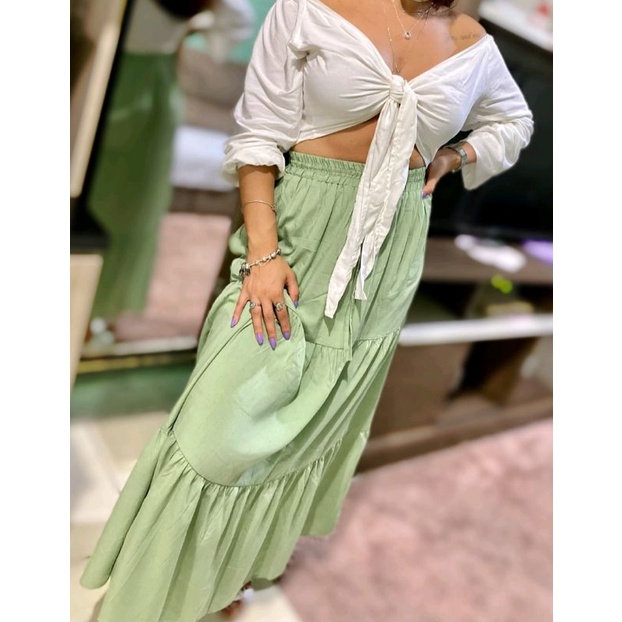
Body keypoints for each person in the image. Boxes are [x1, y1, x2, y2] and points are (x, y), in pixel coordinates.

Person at [80, 0, 534, 619]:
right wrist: (263, 253)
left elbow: (515, 120)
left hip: (390, 251)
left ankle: (223, 583)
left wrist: (456, 155)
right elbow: (259, 133)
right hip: (298, 232)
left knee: (306, 436)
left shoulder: (470, 39)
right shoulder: (310, 8)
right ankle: (146, 600)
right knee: (213, 434)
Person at [85, 0, 253, 345]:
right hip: (120, 75)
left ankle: (90, 313)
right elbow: (234, 21)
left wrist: (187, 25)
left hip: (138, 80)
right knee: (117, 207)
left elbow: (236, 18)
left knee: (127, 209)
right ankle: (91, 312)